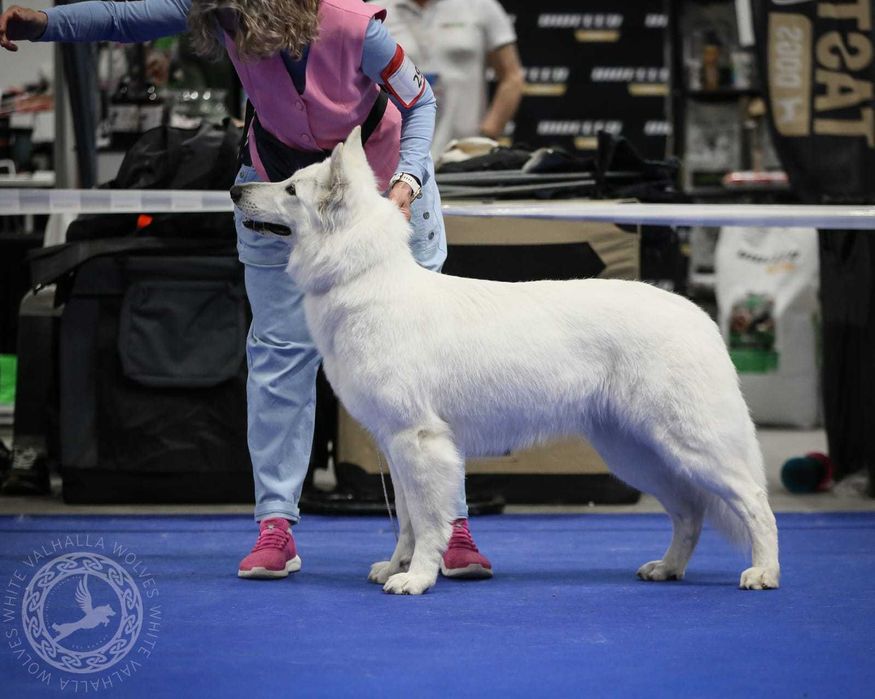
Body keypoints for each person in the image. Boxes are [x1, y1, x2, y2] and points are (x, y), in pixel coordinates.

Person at [0, 0, 493, 581]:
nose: (221, 16)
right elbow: (122, 16)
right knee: (280, 356)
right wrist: (46, 25)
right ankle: (276, 527)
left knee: (424, 367)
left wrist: (410, 179)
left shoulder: (356, 27)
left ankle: (452, 528)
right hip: (276, 195)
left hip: (384, 197)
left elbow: (420, 101)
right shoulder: (219, 6)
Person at [379, 0, 525, 157]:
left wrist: (485, 137)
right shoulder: (376, 12)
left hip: (462, 156)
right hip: (395, 155)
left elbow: (512, 77)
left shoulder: (481, 6)